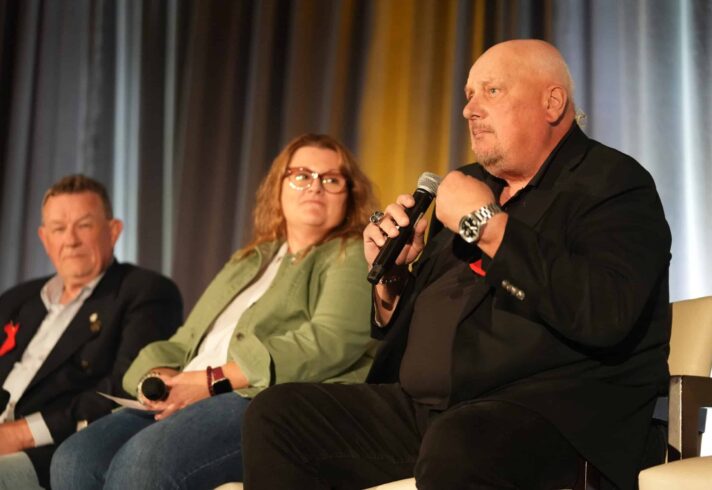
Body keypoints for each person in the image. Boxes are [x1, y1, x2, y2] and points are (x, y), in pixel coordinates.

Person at [241, 40, 672, 490]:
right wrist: (392, 279)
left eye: (491, 91)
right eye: (468, 94)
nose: (469, 109)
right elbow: (433, 317)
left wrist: (487, 224)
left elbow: (605, 312)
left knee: (461, 442)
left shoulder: (614, 184)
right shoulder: (467, 184)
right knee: (277, 415)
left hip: (555, 415)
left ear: (552, 102)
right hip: (432, 412)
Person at [51, 133, 378, 490]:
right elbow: (185, 341)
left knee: (143, 464)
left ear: (349, 195)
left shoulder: (352, 252)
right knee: (74, 459)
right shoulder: (247, 259)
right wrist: (157, 377)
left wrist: (210, 382)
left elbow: (331, 341)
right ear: (278, 187)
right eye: (301, 175)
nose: (314, 187)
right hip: (186, 390)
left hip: (256, 398)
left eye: (330, 179)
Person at [0, 175, 183, 490]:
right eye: (59, 229)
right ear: (45, 239)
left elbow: (126, 386)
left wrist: (22, 433)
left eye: (84, 225)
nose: (70, 240)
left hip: (61, 446)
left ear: (113, 231)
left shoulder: (145, 292)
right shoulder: (18, 299)